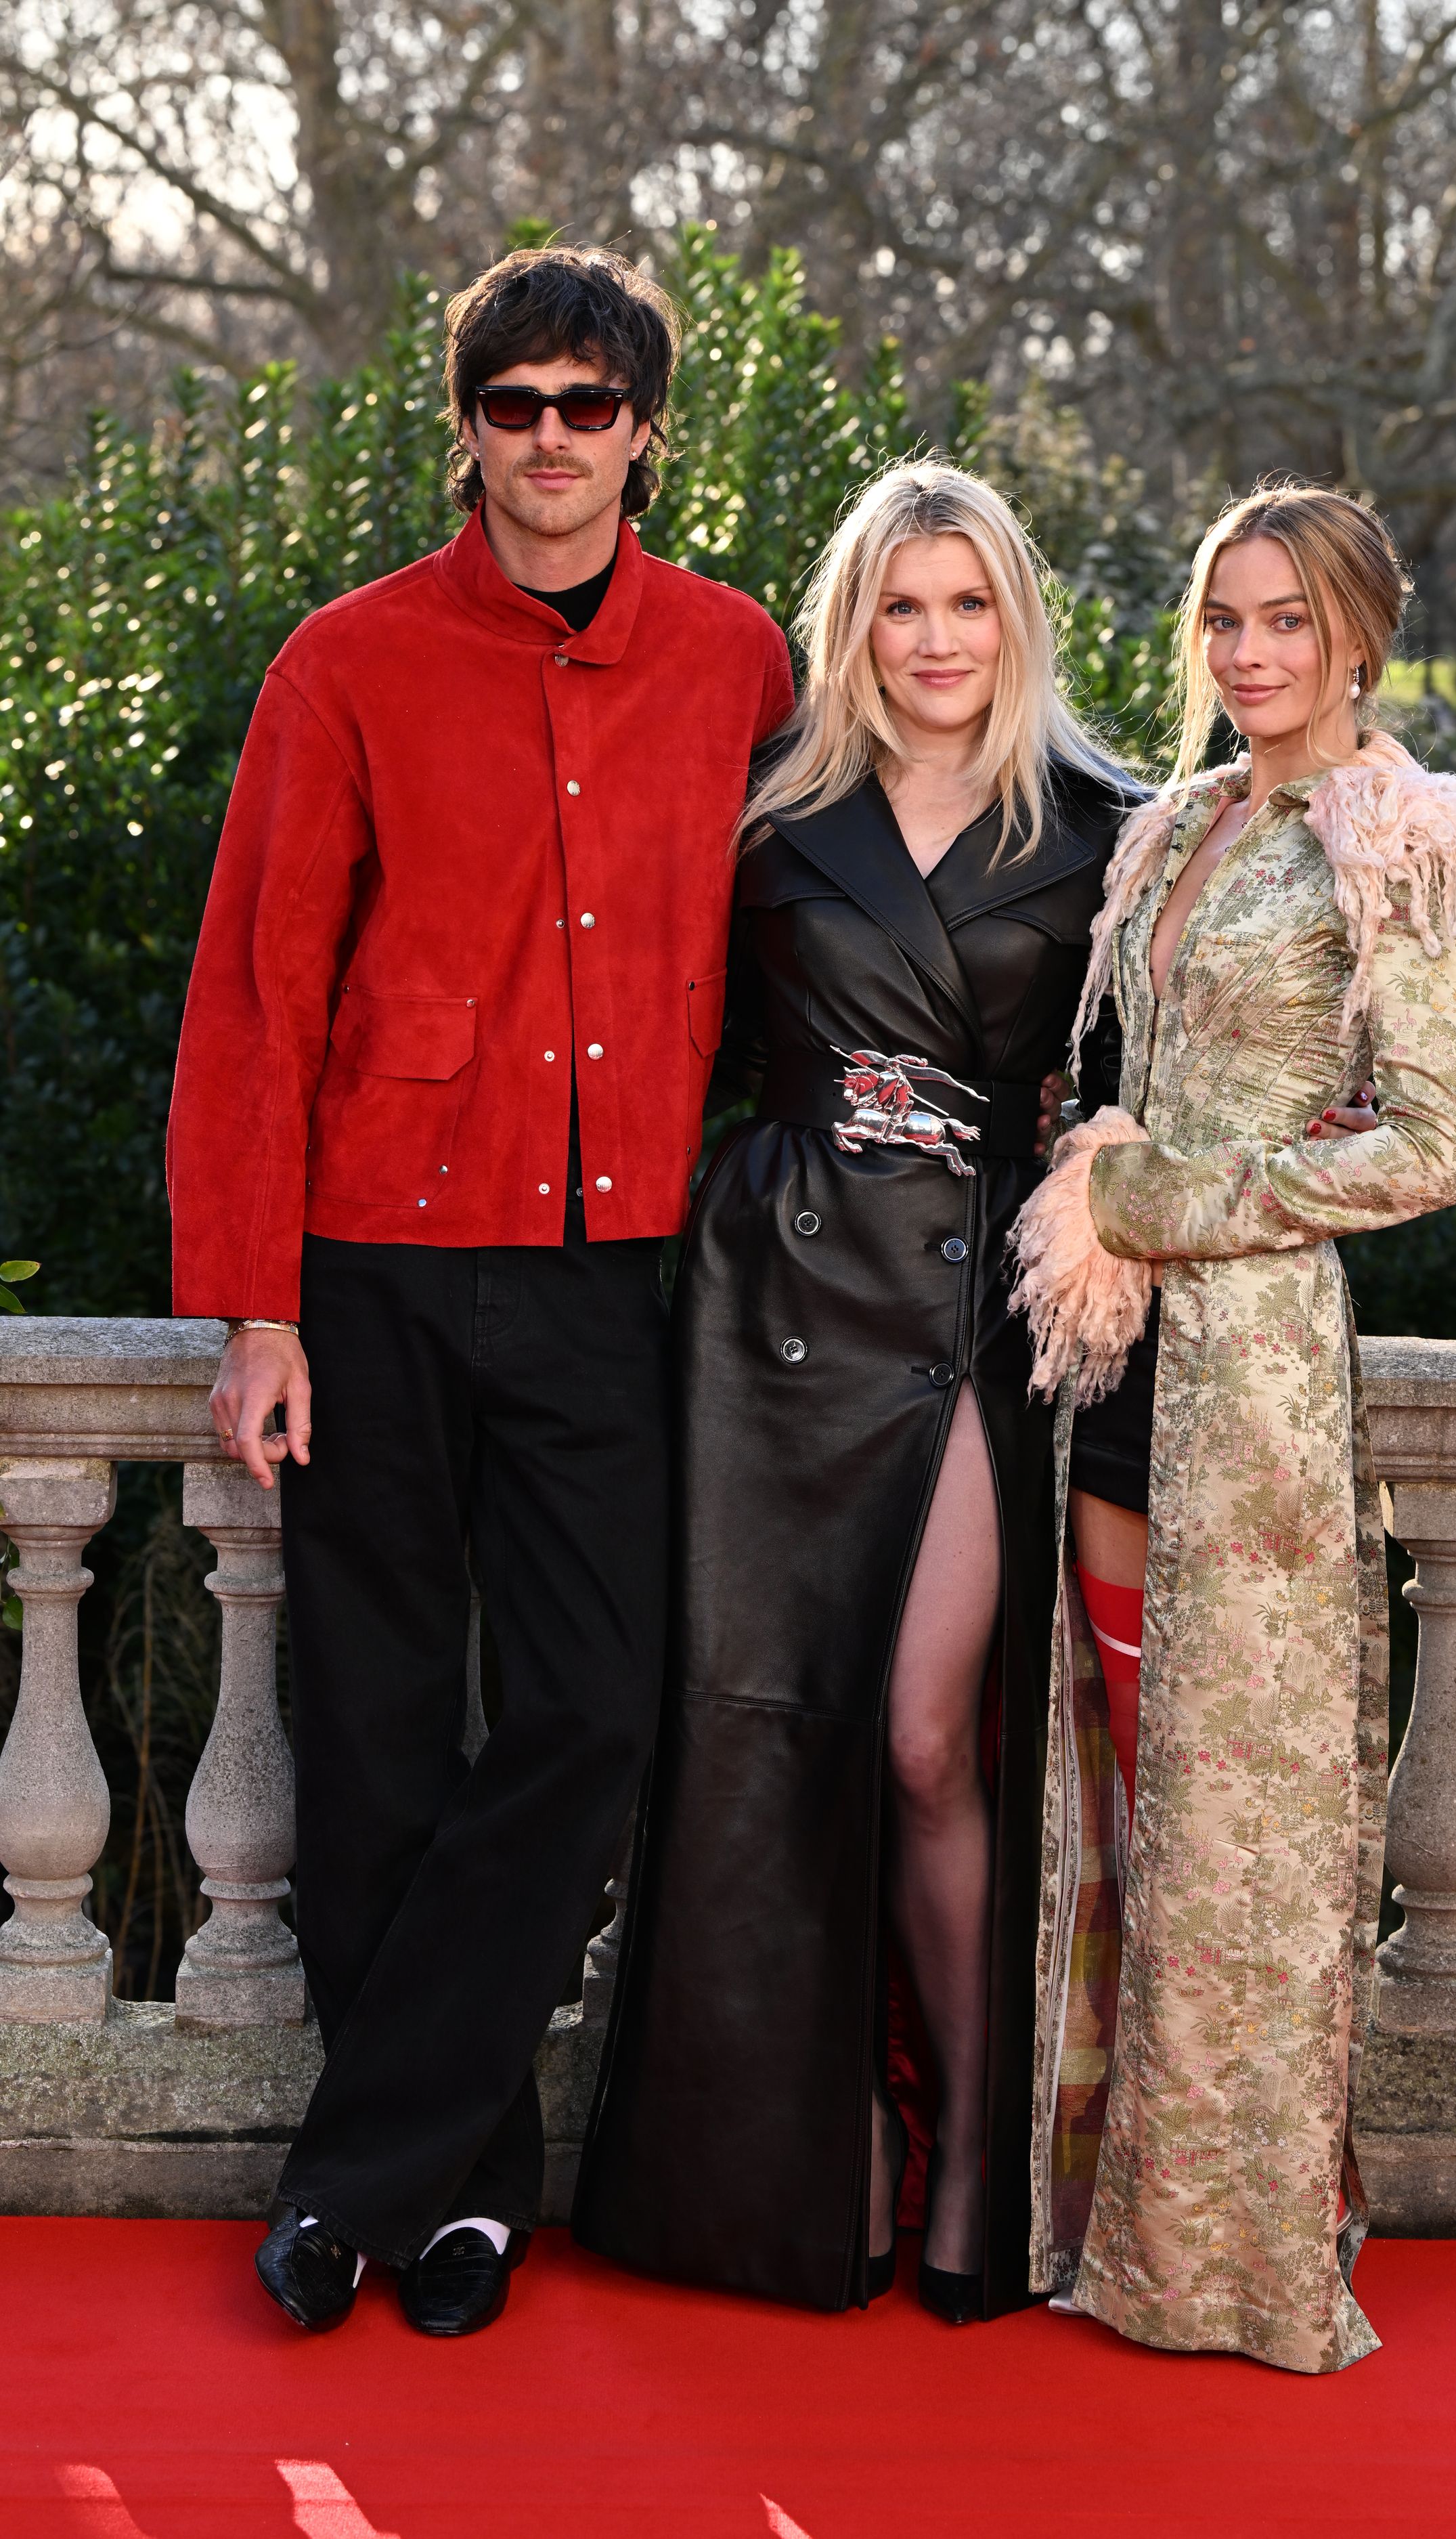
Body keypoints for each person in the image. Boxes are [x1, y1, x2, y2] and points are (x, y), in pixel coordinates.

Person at [166, 245, 793, 2337]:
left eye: (586, 407)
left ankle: (348, 2181)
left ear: (644, 432)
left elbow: (846, 897)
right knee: (368, 1729)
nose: (548, 441)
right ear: (466, 425)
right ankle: (462, 2204)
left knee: (593, 1709)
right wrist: (256, 1302)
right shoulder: (345, 662)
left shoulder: (736, 661)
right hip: (375, 1268)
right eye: (513, 404)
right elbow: (259, 995)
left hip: (615, 1276)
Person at [571, 462, 1134, 2323]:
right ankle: (803, 2168)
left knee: (915, 1736)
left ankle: (970, 2141)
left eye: (967, 603)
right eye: (902, 605)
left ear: (1014, 618)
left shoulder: (1111, 827)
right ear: (855, 626)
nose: (936, 640)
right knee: (760, 1735)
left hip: (970, 1323)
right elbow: (655, 1025)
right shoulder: (768, 811)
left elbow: (1159, 1088)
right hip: (774, 1308)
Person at [1009, 481, 1456, 2374]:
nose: (1248, 653)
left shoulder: (1404, 835)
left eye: (1287, 619)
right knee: (1126, 1795)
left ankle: (1227, 2255)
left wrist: (1165, 1197)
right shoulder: (1173, 826)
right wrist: (1091, 1158)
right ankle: (1105, 2213)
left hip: (1257, 1381)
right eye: (1224, 618)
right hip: (1109, 1371)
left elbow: (1427, 1147)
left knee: (1243, 1821)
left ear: (1358, 635)